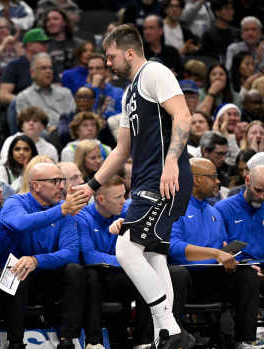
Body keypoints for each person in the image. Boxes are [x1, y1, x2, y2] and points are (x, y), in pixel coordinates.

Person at [75, 24, 195, 348]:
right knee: (153, 256)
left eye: (111, 56)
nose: (108, 63)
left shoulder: (155, 72)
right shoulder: (129, 92)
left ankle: (170, 330)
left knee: (126, 249)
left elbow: (184, 117)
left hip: (164, 176)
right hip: (146, 178)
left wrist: (171, 162)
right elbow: (121, 151)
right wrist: (91, 185)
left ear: (129, 51)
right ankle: (163, 336)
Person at [169, 158, 264, 349]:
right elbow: (173, 247)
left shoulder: (215, 212)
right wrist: (215, 253)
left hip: (213, 277)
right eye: (213, 177)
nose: (218, 181)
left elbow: (220, 249)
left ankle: (245, 340)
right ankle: (175, 339)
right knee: (176, 274)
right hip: (186, 280)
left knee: (247, 274)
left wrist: (229, 255)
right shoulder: (174, 207)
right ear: (195, 179)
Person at [0, 162, 88, 349]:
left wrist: (37, 260)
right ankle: (15, 343)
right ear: (36, 185)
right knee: (18, 268)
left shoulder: (64, 209)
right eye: (55, 181)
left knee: (74, 270)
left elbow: (70, 253)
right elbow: (21, 223)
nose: (62, 186)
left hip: (46, 276)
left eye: (62, 180)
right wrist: (61, 211)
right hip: (11, 278)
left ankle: (67, 340)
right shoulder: (14, 203)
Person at [79, 176, 155, 348]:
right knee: (91, 275)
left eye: (124, 195)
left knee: (147, 277)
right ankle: (94, 342)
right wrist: (126, 260)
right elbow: (89, 256)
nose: (124, 201)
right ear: (100, 199)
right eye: (118, 197)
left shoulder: (128, 212)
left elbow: (147, 247)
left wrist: (129, 230)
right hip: (98, 280)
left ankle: (143, 341)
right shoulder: (83, 217)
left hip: (122, 276)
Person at [216, 165, 264, 301]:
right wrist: (245, 267)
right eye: (257, 190)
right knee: (248, 277)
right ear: (247, 181)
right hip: (236, 271)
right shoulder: (223, 209)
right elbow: (220, 252)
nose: (261, 196)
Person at [15, 52, 75, 131]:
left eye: (50, 68)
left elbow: (74, 119)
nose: (48, 71)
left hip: (66, 134)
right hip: (41, 137)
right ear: (32, 73)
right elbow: (26, 127)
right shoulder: (23, 97)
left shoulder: (66, 93)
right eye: (44, 68)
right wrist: (48, 129)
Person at [40, 8, 83, 75]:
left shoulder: (79, 45)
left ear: (65, 22)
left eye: (55, 19)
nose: (51, 22)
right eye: (48, 20)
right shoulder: (42, 46)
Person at [83, 53, 124, 119]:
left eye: (98, 68)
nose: (94, 72)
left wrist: (104, 114)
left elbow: (122, 116)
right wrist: (94, 89)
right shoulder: (84, 90)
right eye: (91, 68)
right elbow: (87, 114)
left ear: (106, 70)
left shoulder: (118, 92)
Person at [199, 131, 231, 197]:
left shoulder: (227, 171)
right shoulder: (191, 171)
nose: (223, 159)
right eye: (219, 154)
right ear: (205, 152)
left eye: (225, 154)